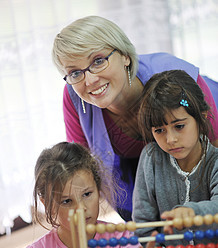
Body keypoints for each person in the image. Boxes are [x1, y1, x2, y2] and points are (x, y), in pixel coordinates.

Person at [52, 15, 218, 222]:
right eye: (75, 73)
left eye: (99, 61)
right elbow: (83, 171)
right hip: (141, 180)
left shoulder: (177, 77)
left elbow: (213, 150)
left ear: (125, 56)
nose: (90, 80)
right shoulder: (74, 97)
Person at [1, 142, 172, 248]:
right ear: (48, 205)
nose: (81, 208)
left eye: (87, 194)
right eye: (67, 201)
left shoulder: (121, 240)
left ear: (98, 189)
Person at [133, 70, 218, 248]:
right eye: (159, 130)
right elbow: (143, 220)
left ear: (202, 116)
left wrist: (192, 212)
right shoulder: (151, 159)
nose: (170, 139)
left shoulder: (215, 161)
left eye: (179, 126)